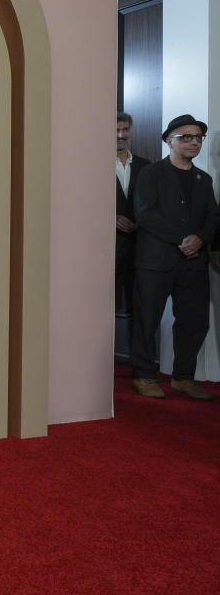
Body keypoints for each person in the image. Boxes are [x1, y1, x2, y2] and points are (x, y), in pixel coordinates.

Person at [131, 114, 217, 401]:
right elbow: (145, 214)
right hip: (156, 261)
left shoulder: (203, 179)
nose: (194, 142)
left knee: (194, 321)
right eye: (186, 137)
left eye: (198, 138)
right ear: (169, 140)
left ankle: (183, 377)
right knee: (147, 319)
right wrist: (183, 239)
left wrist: (201, 239)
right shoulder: (151, 173)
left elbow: (212, 218)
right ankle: (143, 376)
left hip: (193, 264)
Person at [115, 112, 150, 312]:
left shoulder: (146, 166)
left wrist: (139, 223)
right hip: (105, 248)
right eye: (116, 130)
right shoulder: (93, 165)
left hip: (139, 247)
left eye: (125, 129)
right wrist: (108, 219)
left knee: (138, 304)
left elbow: (153, 204)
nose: (121, 135)